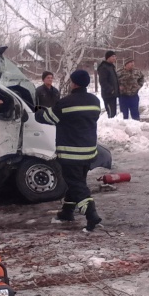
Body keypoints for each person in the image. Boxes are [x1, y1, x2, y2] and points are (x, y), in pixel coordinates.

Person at [35, 69, 104, 232]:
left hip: (70, 153)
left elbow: (46, 118)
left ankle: (91, 214)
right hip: (89, 151)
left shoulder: (65, 103)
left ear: (73, 83)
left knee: (76, 184)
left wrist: (36, 110)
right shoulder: (95, 101)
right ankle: (67, 212)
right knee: (76, 182)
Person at [97, 51, 120, 118]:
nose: (114, 58)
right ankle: (109, 124)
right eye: (112, 56)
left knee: (113, 113)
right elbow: (103, 81)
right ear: (108, 57)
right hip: (108, 95)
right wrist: (111, 90)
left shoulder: (111, 67)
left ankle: (113, 124)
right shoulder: (104, 67)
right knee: (110, 114)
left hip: (113, 95)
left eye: (115, 56)